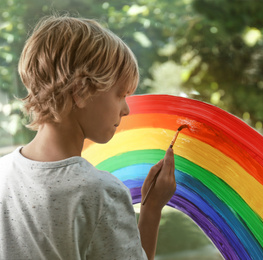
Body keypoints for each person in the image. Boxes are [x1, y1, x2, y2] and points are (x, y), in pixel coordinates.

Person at [0, 15, 176, 260]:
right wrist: (152, 208)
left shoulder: (3, 172)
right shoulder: (100, 193)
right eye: (120, 95)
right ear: (81, 92)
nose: (126, 109)